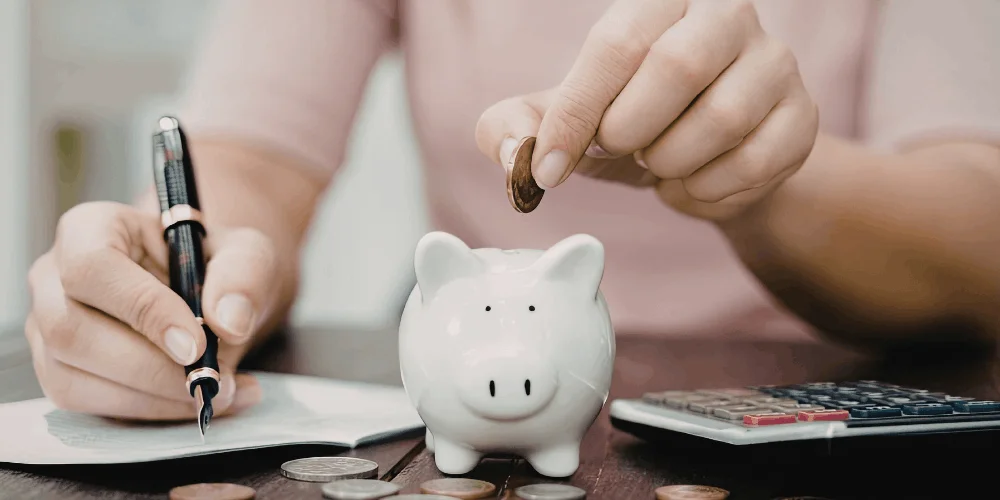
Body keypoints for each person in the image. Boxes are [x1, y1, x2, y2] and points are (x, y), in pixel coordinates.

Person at [23, 0, 1000, 421]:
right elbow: (248, 162)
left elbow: (978, 231)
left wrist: (760, 177)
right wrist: (183, 271)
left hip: (839, 402)